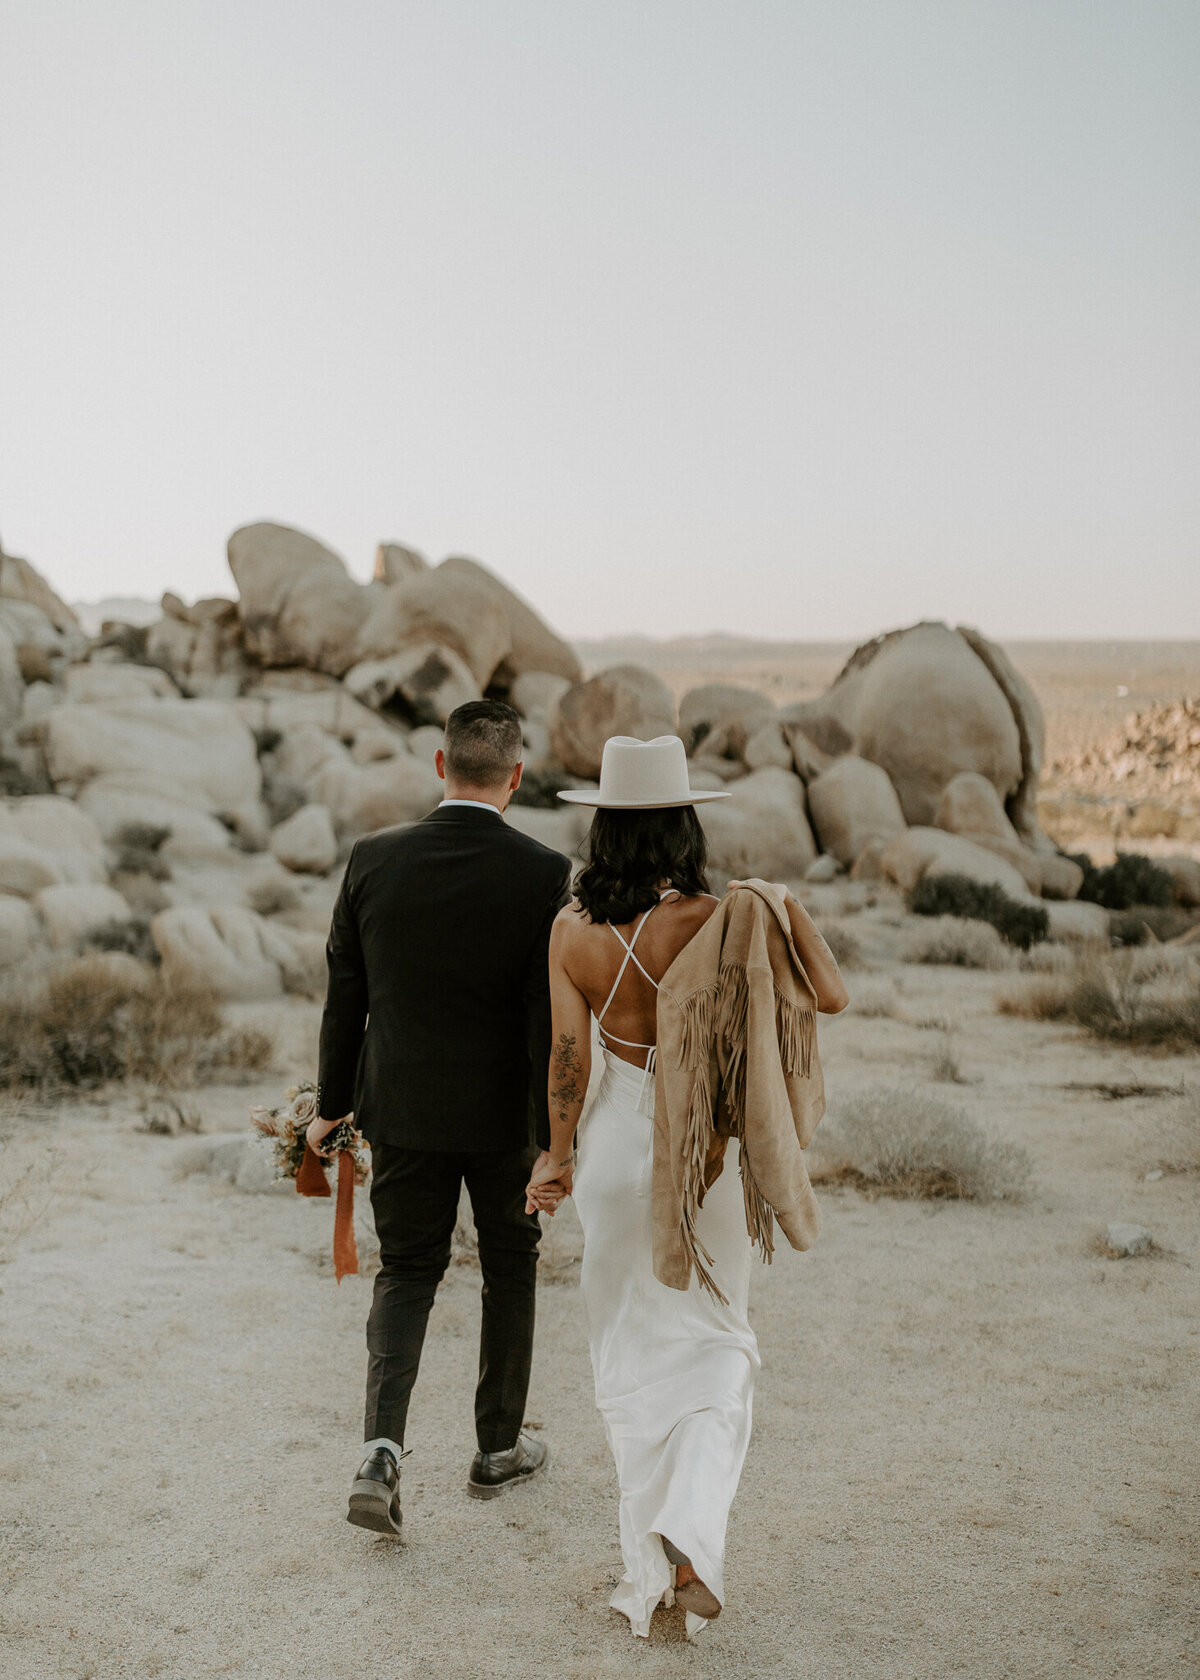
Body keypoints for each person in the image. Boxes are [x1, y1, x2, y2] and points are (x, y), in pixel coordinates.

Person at [525, 734, 848, 1636]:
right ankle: (692, 1546)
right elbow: (829, 999)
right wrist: (776, 905)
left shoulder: (570, 930)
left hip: (619, 1154)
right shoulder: (724, 917)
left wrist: (555, 1161)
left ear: (604, 830)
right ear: (684, 825)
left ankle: (648, 1574)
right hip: (700, 1153)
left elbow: (567, 1060)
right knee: (717, 1341)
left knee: (629, 1358)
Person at [309, 699, 572, 1535]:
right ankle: (497, 1451)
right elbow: (547, 1017)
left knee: (408, 1270)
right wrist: (551, 1140)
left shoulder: (372, 860)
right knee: (510, 1265)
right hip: (503, 1120)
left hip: (406, 1110)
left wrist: (329, 1111)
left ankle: (380, 1451)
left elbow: (343, 1002)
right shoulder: (544, 874)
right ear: (517, 777)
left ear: (439, 764)